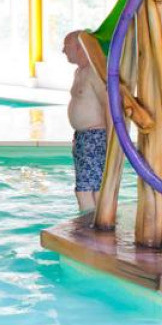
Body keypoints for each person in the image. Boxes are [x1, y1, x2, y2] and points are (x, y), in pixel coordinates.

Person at [64, 30, 108, 212]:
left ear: (79, 48)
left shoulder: (95, 72)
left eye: (66, 46)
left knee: (85, 190)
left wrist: (113, 140)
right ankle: (95, 222)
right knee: (93, 188)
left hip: (96, 137)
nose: (63, 51)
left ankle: (89, 225)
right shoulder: (79, 72)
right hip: (84, 137)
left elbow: (108, 105)